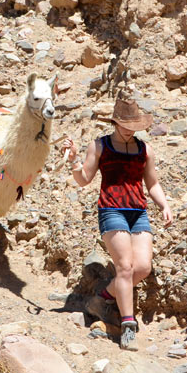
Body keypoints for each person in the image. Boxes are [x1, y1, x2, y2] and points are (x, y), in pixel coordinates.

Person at [62, 95, 172, 351]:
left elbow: (152, 183)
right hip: (111, 210)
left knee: (142, 267)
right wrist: (74, 160)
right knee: (124, 267)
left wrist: (164, 205)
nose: (130, 130)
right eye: (125, 124)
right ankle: (127, 325)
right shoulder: (100, 146)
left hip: (138, 211)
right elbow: (84, 179)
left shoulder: (145, 149)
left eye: (134, 125)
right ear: (115, 122)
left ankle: (102, 299)